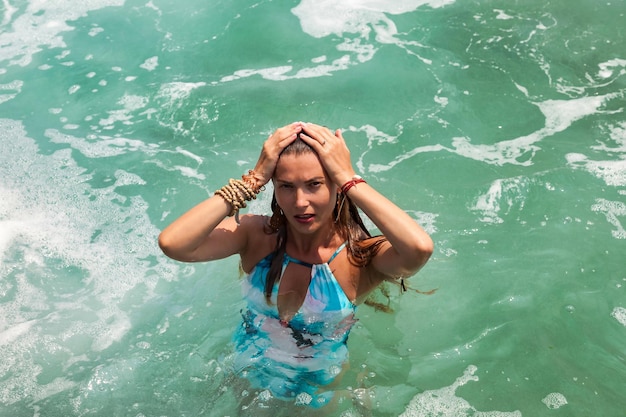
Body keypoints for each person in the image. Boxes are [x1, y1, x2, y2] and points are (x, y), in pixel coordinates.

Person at [158, 122, 433, 409]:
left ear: (338, 187)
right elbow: (174, 243)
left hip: (318, 393)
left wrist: (348, 177)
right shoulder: (257, 236)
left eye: (315, 184)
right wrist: (253, 179)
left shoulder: (359, 258)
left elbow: (419, 248)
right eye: (286, 187)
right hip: (246, 374)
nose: (300, 202)